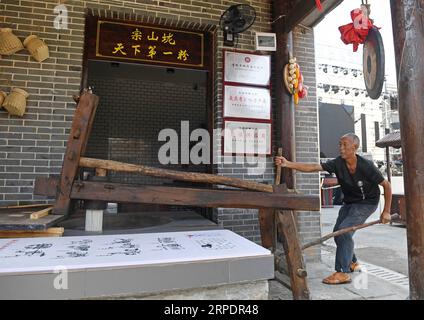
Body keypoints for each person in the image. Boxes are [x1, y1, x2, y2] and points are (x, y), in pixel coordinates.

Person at [275, 133, 392, 285]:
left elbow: (387, 185)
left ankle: (342, 272)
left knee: (343, 231)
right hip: (349, 202)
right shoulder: (338, 163)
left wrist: (386, 211)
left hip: (367, 203)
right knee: (339, 232)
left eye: (344, 145)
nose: (341, 148)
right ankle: (352, 262)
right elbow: (313, 167)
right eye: (340, 144)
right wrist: (288, 164)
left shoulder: (366, 166)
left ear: (354, 148)